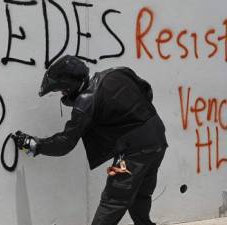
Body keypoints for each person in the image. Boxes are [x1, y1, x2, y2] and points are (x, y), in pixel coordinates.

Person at [14, 55, 168, 225]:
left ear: (70, 86)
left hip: (132, 151)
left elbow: (66, 143)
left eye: (62, 90)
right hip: (158, 138)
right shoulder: (116, 72)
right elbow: (147, 90)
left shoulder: (85, 102)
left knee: (113, 199)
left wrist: (36, 145)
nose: (63, 94)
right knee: (140, 193)